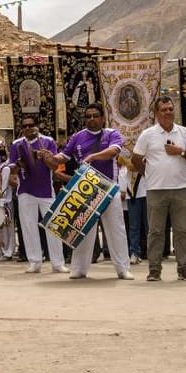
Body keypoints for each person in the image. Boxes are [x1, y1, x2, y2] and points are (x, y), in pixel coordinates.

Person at [50, 103, 132, 280]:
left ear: (103, 118)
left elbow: (113, 152)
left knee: (116, 229)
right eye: (88, 116)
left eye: (95, 115)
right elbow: (61, 158)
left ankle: (122, 268)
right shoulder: (77, 137)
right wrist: (48, 157)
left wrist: (94, 156)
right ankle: (79, 268)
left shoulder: (112, 134)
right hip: (84, 189)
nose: (92, 119)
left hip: (108, 188)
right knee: (83, 230)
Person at [133, 97, 186, 281]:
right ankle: (154, 270)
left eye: (171, 109)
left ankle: (184, 269)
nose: (168, 112)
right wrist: (149, 175)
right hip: (155, 190)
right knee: (155, 232)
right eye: (164, 109)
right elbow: (136, 159)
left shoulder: (184, 133)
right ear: (156, 113)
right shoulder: (147, 134)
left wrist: (180, 151)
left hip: (180, 189)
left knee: (182, 231)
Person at [8, 116, 67, 274]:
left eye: (31, 125)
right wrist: (19, 164)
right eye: (25, 126)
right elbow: (11, 168)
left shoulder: (47, 141)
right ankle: (34, 262)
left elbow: (56, 166)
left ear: (37, 126)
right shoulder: (16, 144)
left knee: (53, 227)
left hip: (46, 191)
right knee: (28, 227)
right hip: (25, 190)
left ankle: (57, 263)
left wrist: (45, 157)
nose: (28, 128)